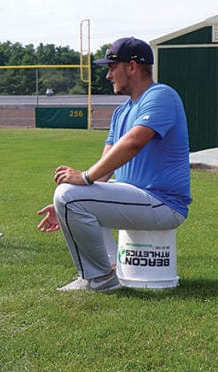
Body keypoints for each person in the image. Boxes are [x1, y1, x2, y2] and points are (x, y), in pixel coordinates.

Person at [37, 36, 191, 292]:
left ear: (132, 67)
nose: (108, 76)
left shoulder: (161, 95)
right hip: (139, 199)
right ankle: (108, 270)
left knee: (69, 195)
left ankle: (100, 280)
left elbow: (134, 142)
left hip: (164, 203)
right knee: (67, 195)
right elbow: (103, 172)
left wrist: (81, 181)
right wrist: (65, 208)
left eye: (112, 67)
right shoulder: (121, 112)